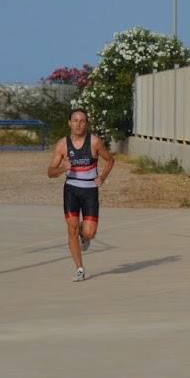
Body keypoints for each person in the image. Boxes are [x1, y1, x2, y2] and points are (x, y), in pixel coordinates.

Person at [47, 108, 114, 281]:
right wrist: (63, 168)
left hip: (90, 191)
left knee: (89, 232)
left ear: (86, 123)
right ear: (69, 123)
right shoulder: (62, 144)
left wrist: (103, 177)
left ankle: (85, 237)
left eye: (82, 121)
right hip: (71, 190)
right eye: (75, 120)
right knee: (72, 229)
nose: (78, 124)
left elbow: (110, 160)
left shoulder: (94, 142)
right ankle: (80, 269)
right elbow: (50, 171)